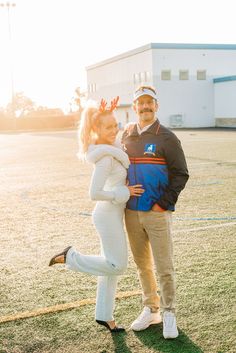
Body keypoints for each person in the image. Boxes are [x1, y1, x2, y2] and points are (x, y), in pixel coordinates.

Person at [49, 97, 144, 332]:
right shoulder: (105, 158)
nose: (113, 130)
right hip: (106, 215)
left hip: (112, 215)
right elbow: (94, 193)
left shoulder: (112, 151)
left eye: (115, 125)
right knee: (117, 265)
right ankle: (69, 256)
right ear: (96, 130)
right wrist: (124, 191)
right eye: (107, 127)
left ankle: (105, 315)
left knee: (108, 267)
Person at [122, 86, 189, 339]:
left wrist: (163, 203)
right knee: (142, 265)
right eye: (141, 103)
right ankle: (151, 309)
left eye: (149, 102)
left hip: (157, 212)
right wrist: (124, 189)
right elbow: (119, 169)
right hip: (131, 212)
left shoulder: (167, 137)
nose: (145, 107)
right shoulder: (127, 134)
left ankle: (169, 311)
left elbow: (181, 174)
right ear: (134, 107)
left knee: (164, 266)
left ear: (156, 106)